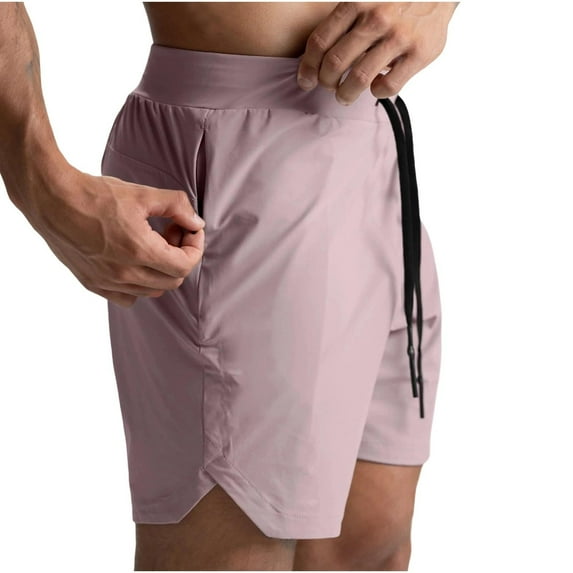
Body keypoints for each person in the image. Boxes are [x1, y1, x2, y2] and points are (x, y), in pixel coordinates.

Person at [0, 2, 458, 570]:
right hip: (230, 153)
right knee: (236, 550)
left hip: (376, 147)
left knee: (367, 547)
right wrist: (41, 181)